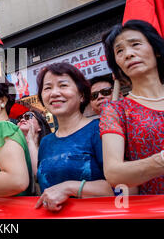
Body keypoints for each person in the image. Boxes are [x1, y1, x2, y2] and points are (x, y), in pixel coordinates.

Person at [100, 20, 164, 194]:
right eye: (119, 51)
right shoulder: (116, 111)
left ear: (156, 50)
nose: (128, 54)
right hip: (161, 210)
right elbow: (113, 174)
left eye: (135, 44)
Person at [35, 63, 114, 212]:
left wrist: (69, 188)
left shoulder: (100, 130)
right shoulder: (46, 142)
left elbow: (122, 187)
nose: (54, 93)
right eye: (47, 88)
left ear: (82, 95)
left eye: (63, 85)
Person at [16, 108, 51, 193]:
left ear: (40, 126)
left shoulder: (49, 148)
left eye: (28, 116)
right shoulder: (15, 150)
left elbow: (39, 175)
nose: (23, 119)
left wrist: (30, 140)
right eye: (20, 118)